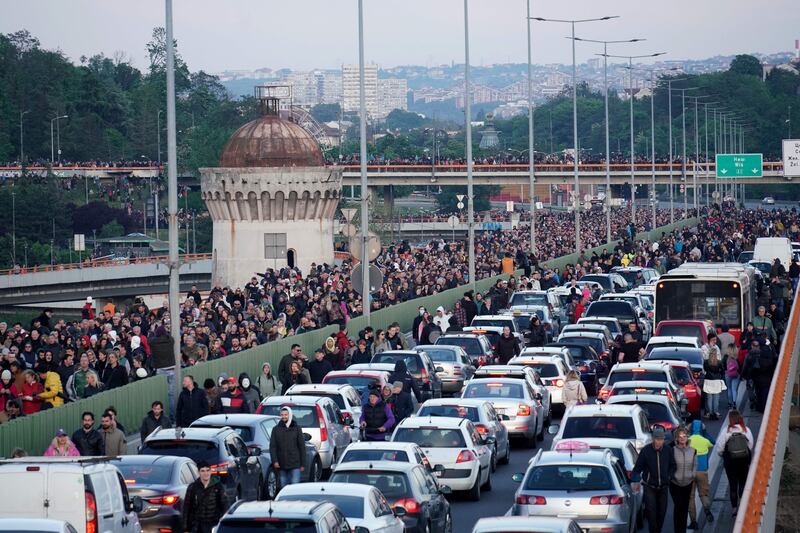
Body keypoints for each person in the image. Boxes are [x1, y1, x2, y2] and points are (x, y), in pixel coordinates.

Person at [632, 425, 676, 533]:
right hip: (649, 487)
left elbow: (673, 465)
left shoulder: (668, 450)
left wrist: (669, 476)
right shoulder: (646, 451)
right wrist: (636, 480)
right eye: (657, 439)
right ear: (652, 439)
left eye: (661, 440)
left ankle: (658, 530)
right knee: (651, 514)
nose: (659, 442)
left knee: (662, 513)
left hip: (664, 487)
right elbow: (637, 468)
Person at [716, 410, 754, 516]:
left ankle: (734, 508)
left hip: (730, 461)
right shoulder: (745, 430)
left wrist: (723, 455)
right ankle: (742, 505)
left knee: (733, 484)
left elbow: (719, 447)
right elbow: (750, 444)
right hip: (743, 460)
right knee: (743, 482)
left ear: (730, 419)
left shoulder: (726, 431)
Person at [182, 460, 228, 533]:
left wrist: (223, 525)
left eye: (207, 470)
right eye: (202, 471)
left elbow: (224, 505)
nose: (205, 473)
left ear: (210, 471)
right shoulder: (193, 487)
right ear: (198, 472)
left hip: (213, 524)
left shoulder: (218, 486)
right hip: (197, 526)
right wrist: (185, 528)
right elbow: (187, 508)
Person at [269, 407, 306, 489]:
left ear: (290, 415)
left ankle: (294, 502)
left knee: (295, 488)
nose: (284, 417)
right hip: (282, 464)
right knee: (284, 488)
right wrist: (275, 461)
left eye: (286, 415)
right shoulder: (276, 429)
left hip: (295, 464)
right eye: (282, 415)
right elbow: (273, 447)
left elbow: (302, 447)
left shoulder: (297, 428)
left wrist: (303, 463)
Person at [688, 420, 715, 529]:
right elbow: (713, 442)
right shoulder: (704, 441)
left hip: (690, 472)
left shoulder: (688, 441)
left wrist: (687, 430)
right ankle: (707, 509)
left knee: (690, 497)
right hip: (702, 472)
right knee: (703, 494)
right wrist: (705, 431)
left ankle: (694, 522)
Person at [670, 426, 697, 533]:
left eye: (684, 436)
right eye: (680, 436)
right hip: (675, 484)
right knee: (678, 506)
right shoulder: (672, 450)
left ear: (687, 437)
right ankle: (677, 530)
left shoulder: (693, 451)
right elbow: (669, 465)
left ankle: (682, 531)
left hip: (688, 483)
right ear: (676, 438)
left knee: (685, 508)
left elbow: (695, 465)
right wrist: (672, 476)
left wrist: (692, 475)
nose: (682, 438)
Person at [703, 344, 726, 419]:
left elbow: (705, 369)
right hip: (716, 380)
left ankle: (709, 412)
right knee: (716, 397)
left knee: (709, 398)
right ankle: (715, 412)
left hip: (708, 380)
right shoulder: (719, 362)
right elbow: (723, 371)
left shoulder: (706, 362)